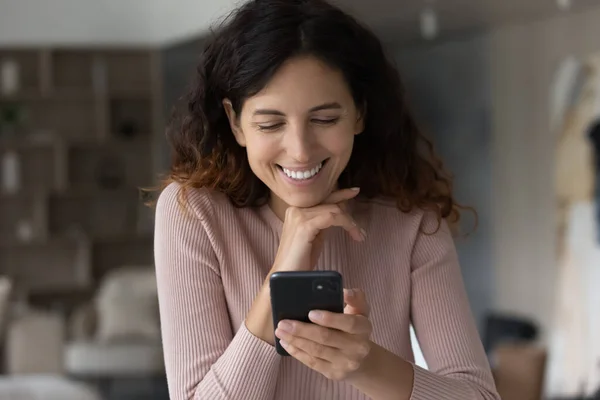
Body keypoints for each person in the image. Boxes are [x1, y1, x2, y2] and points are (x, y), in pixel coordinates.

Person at [153, 0, 500, 399]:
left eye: (324, 119)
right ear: (235, 122)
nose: (300, 151)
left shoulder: (411, 222)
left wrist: (366, 365)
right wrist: (281, 277)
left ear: (359, 113)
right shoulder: (194, 214)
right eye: (271, 123)